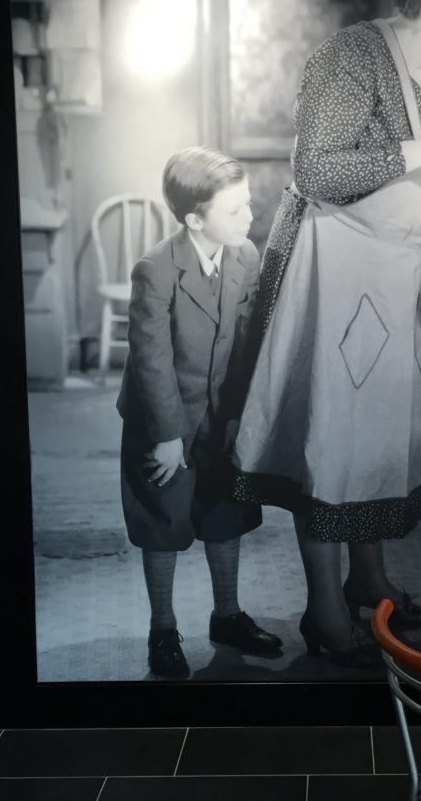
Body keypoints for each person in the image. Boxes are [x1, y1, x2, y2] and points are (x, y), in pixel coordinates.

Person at [232, 0, 421, 667]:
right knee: (331, 440)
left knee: (379, 433)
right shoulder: (351, 55)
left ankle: (371, 581)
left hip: (387, 273)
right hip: (330, 270)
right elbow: (316, 169)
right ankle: (324, 613)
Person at [117, 146, 283, 678]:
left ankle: (227, 615)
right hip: (162, 419)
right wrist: (168, 435)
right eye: (235, 210)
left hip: (221, 413)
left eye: (248, 205)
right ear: (195, 218)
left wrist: (241, 417)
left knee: (223, 510)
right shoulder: (156, 271)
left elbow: (248, 343)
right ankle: (162, 629)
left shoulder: (246, 256)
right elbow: (151, 361)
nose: (249, 217)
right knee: (163, 519)